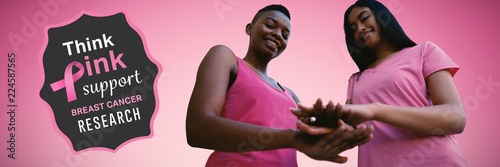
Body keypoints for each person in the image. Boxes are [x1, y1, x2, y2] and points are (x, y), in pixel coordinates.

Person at [185, 4, 373, 167]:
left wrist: (334, 125)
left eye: (285, 34)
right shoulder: (226, 58)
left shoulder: (290, 96)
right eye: (270, 25)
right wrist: (291, 138)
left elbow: (308, 139)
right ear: (250, 28)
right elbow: (198, 128)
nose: (277, 35)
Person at [293, 0, 468, 166]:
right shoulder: (356, 80)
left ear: (382, 16)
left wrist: (375, 110)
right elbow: (349, 129)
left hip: (435, 161)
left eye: (364, 18)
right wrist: (319, 124)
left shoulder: (423, 52)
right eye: (353, 29)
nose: (360, 29)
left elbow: (455, 119)